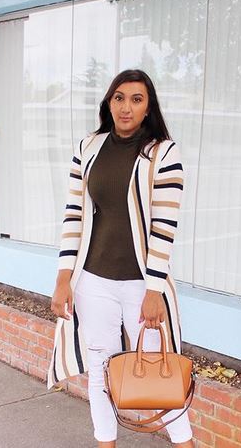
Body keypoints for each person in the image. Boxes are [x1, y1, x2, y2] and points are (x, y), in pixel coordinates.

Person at [48, 69, 193, 447]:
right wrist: (64, 278)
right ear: (108, 102)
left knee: (160, 373)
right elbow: (73, 214)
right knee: (101, 372)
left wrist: (154, 290)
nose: (126, 107)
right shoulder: (89, 147)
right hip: (93, 280)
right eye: (119, 97)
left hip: (142, 285)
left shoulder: (164, 153)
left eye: (136, 99)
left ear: (148, 108)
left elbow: (165, 227)